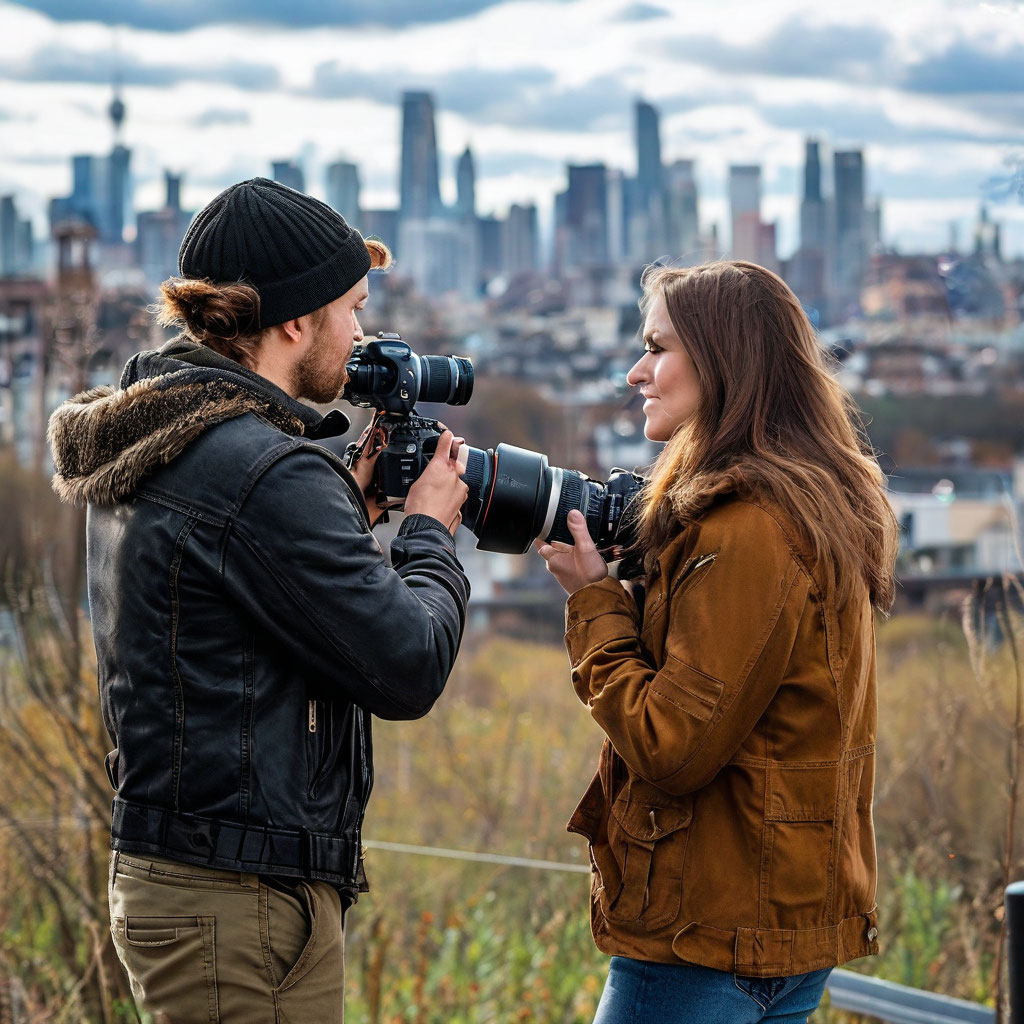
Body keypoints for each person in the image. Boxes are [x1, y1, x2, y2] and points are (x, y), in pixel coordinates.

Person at [47, 177, 470, 1022]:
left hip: (180, 876)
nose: (362, 332)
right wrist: (427, 530)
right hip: (244, 901)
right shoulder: (262, 468)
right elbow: (407, 666)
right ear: (292, 320)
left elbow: (228, 600)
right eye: (352, 306)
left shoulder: (162, 430)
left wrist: (340, 512)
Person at [535, 260, 898, 1024]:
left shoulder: (750, 528)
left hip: (706, 941)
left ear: (724, 359)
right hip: (773, 920)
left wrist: (593, 604)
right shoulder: (809, 502)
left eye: (658, 348)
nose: (637, 372)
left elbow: (672, 745)